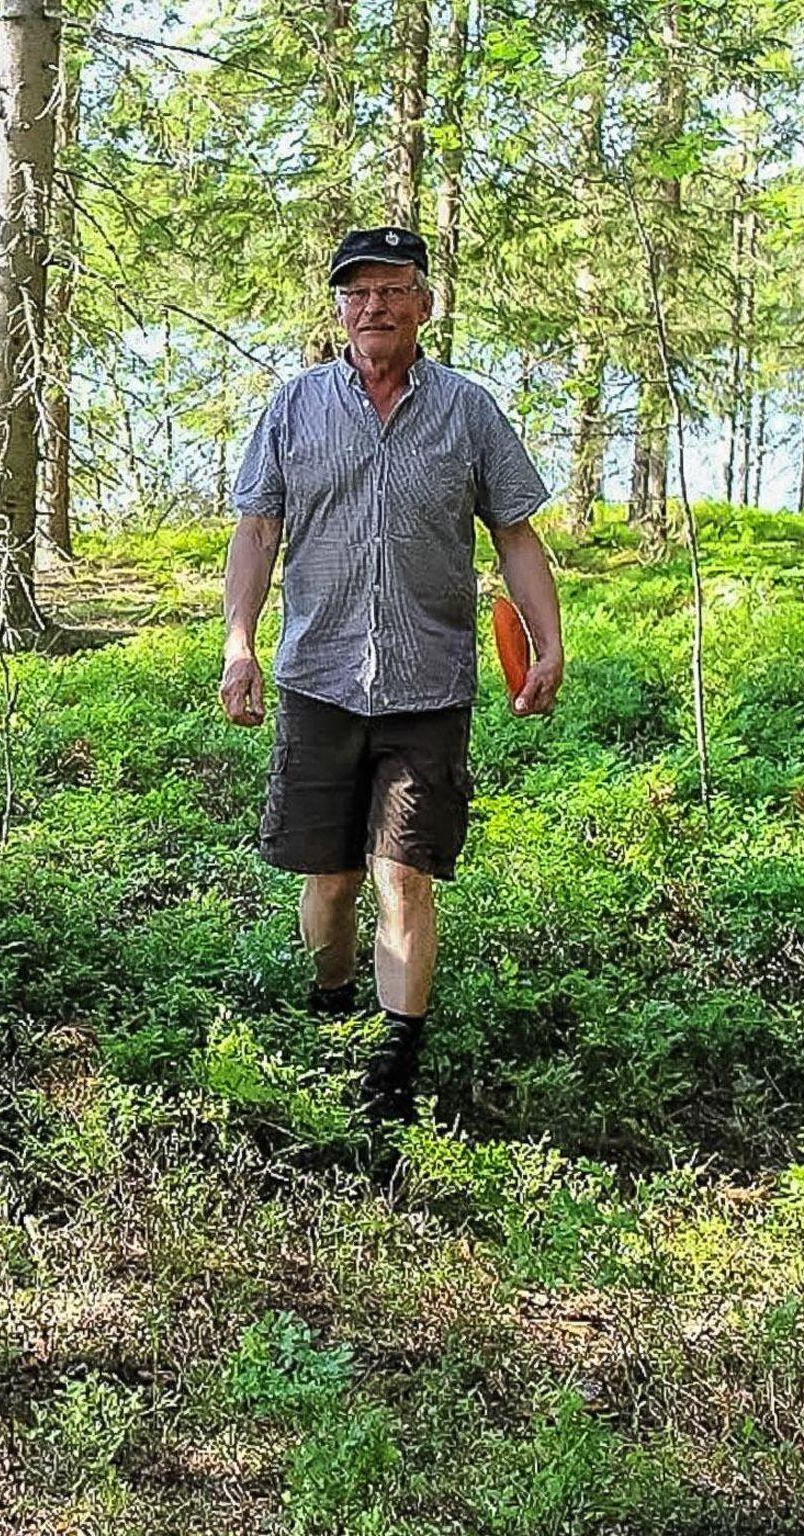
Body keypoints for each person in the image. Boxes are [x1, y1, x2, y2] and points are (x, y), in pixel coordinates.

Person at [218, 227, 565, 1126]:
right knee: (329, 884)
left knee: (403, 878)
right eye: (358, 292)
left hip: (429, 686)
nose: (374, 306)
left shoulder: (469, 412)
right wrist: (238, 644)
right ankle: (333, 995)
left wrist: (548, 639)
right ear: (338, 309)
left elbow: (516, 534)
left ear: (424, 303)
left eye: (393, 290)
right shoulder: (294, 409)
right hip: (319, 680)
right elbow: (257, 532)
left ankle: (392, 1068)